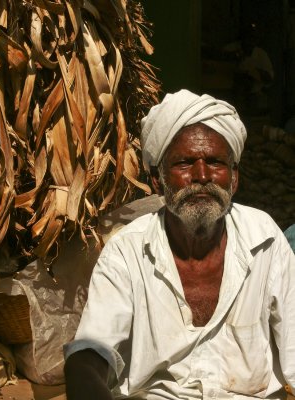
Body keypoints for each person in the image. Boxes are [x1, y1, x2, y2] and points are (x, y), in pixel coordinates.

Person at [64, 90, 295, 400]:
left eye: (215, 162)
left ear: (234, 179)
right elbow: (90, 354)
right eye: (185, 163)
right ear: (158, 180)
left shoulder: (264, 239)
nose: (202, 176)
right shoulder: (127, 252)